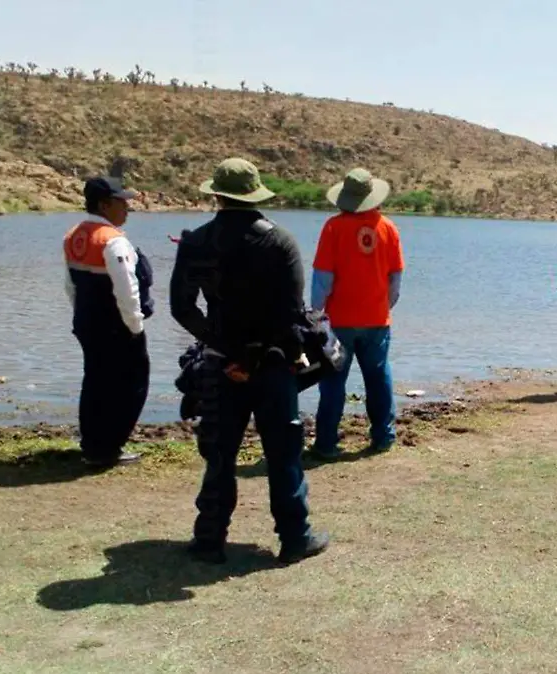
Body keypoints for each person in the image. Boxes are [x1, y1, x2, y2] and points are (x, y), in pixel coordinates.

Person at [170, 157, 329, 565]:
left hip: (221, 363)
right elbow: (291, 313)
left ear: (218, 195)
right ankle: (295, 538)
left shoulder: (197, 242)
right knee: (283, 450)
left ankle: (209, 540)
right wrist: (259, 355)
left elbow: (182, 308)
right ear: (255, 192)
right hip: (274, 364)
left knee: (220, 452)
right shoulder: (281, 242)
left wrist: (226, 349)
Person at [310, 168, 405, 459]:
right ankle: (383, 437)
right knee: (378, 378)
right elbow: (395, 280)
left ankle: (326, 444)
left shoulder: (333, 228)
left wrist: (315, 315)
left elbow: (322, 279)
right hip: (377, 321)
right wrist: (382, 307)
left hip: (339, 322)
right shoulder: (388, 227)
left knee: (333, 383)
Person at [63, 176, 153, 469]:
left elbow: (70, 286)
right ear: (104, 205)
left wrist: (82, 315)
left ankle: (92, 444)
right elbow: (127, 290)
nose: (127, 208)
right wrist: (136, 326)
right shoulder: (113, 240)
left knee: (96, 382)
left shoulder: (74, 235)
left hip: (87, 323)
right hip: (117, 327)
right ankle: (109, 447)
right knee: (131, 384)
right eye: (121, 202)